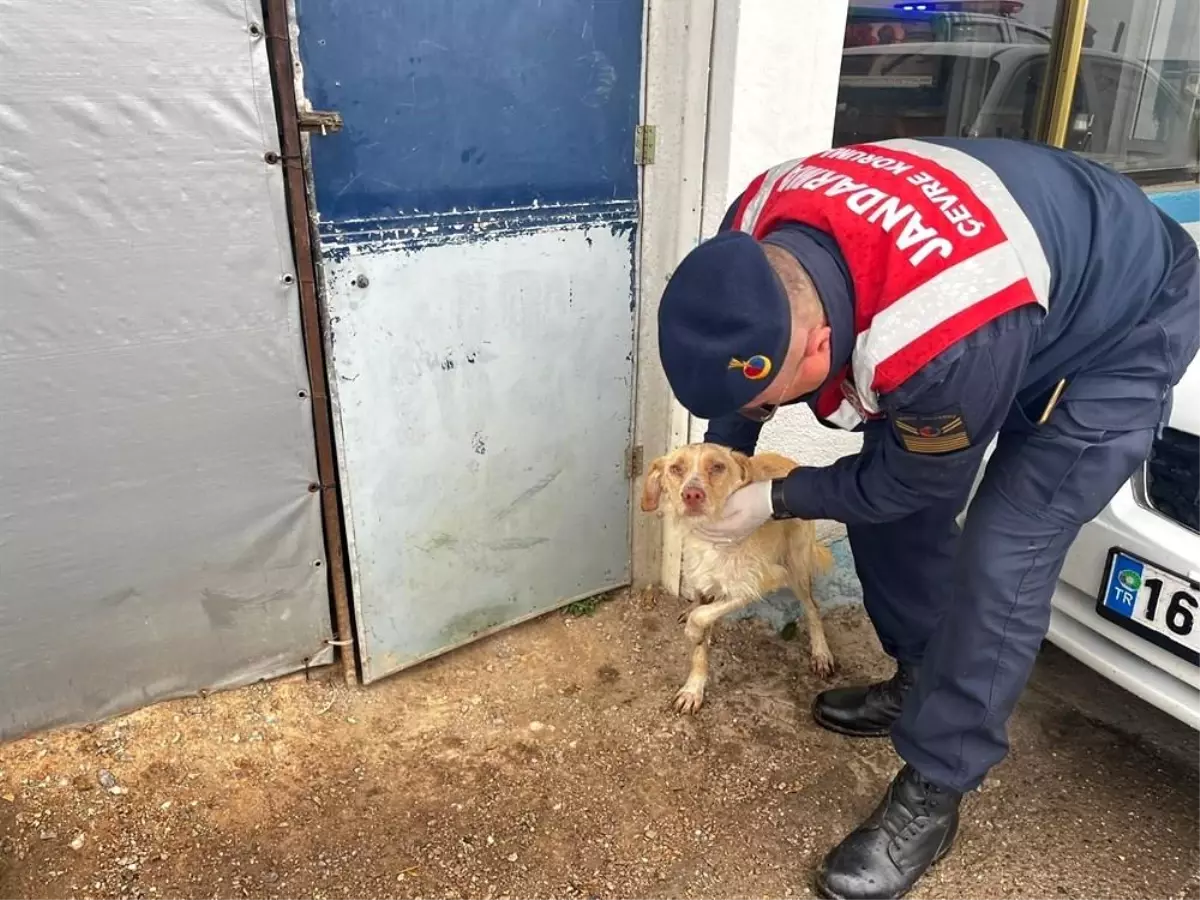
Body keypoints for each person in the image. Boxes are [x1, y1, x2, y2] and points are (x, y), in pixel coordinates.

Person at [655, 136, 1200, 900]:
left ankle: (936, 787)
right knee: (889, 508)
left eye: (771, 398)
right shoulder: (750, 229)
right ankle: (920, 675)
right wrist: (727, 457)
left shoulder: (935, 338)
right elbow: (741, 393)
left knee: (1002, 555)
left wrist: (775, 496)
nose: (761, 414)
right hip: (1022, 282)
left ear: (819, 344)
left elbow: (905, 479)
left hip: (1122, 318)